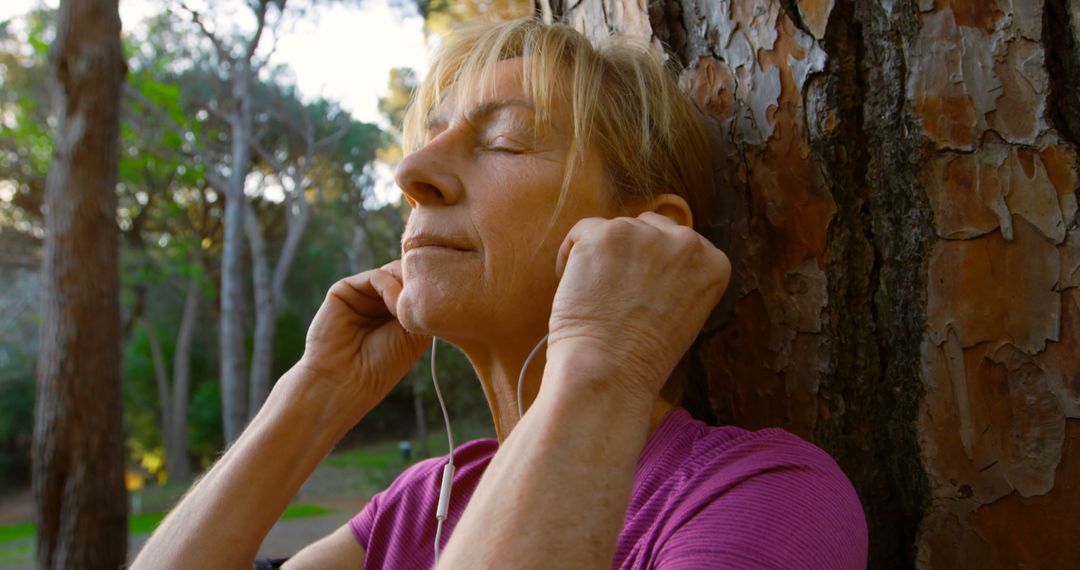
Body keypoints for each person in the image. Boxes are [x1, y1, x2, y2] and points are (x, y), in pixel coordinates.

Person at [131, 18, 867, 570]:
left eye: (506, 142)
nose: (412, 172)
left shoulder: (761, 495)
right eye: (433, 136)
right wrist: (314, 395)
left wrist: (605, 360)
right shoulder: (424, 502)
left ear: (646, 235)